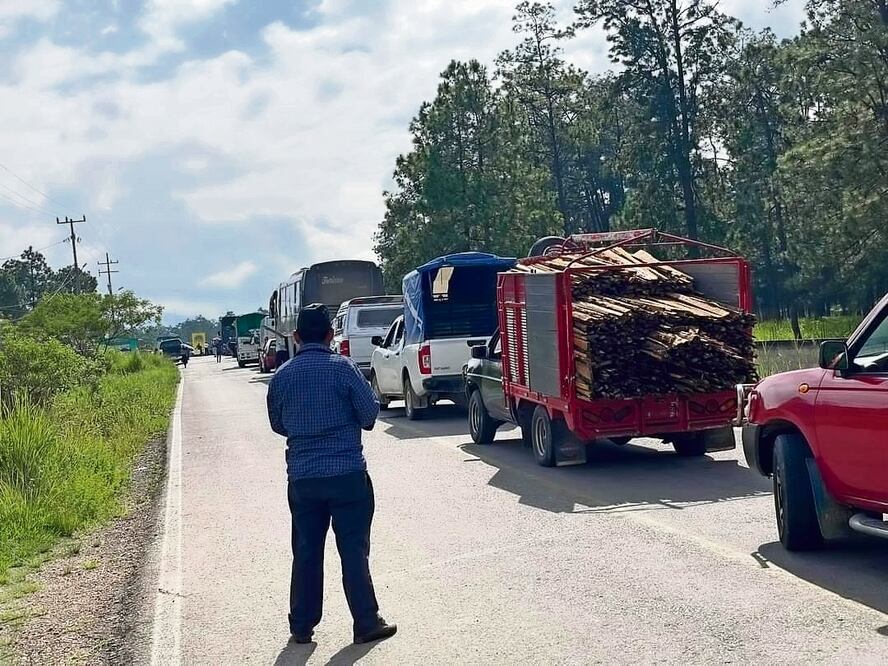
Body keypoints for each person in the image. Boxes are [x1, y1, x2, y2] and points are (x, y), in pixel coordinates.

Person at [266, 303, 396, 646]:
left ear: (295, 337)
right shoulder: (345, 369)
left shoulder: (282, 376)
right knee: (353, 549)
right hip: (347, 475)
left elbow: (278, 425)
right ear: (330, 334)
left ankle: (302, 627)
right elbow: (369, 415)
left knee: (306, 550)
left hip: (303, 479)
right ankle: (366, 622)